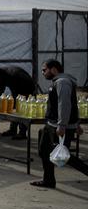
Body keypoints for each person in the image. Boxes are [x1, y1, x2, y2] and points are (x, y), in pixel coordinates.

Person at [31, 60, 86, 189]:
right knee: (44, 150)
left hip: (60, 126)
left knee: (64, 156)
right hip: (51, 124)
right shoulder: (57, 82)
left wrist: (62, 125)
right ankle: (48, 180)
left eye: (45, 70)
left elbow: (65, 104)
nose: (43, 73)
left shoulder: (63, 82)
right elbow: (72, 105)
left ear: (54, 69)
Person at [0, 66, 37, 139]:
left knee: (21, 110)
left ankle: (22, 133)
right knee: (14, 108)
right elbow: (0, 90)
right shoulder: (2, 75)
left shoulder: (11, 75)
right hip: (19, 88)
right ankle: (12, 130)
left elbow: (16, 92)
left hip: (27, 88)